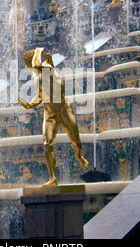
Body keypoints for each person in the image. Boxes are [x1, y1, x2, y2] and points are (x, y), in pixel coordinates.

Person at [18, 48, 89, 186]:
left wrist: (38, 51)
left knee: (76, 142)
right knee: (47, 144)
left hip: (63, 109)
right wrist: (30, 105)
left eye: (28, 62)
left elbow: (38, 64)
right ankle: (52, 178)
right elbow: (40, 96)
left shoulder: (47, 67)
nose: (27, 66)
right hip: (49, 112)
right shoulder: (35, 76)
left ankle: (79, 156)